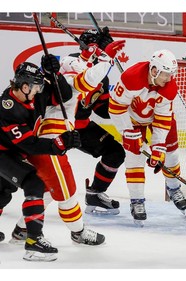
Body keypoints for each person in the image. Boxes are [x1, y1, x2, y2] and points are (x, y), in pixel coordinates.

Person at [8, 56, 105, 251]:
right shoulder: (67, 82)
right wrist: (108, 59)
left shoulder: (49, 85)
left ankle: (22, 229)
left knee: (48, 190)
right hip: (49, 147)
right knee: (66, 191)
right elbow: (91, 78)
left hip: (48, 144)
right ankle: (78, 232)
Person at [0, 59, 81, 261]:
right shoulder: (7, 109)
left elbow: (65, 94)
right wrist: (58, 145)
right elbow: (30, 145)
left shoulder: (34, 95)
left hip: (13, 152)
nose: (39, 90)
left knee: (3, 190)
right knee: (34, 183)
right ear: (24, 86)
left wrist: (53, 73)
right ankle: (34, 242)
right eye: (36, 86)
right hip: (3, 153)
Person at [108, 49, 186, 225]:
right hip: (132, 120)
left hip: (156, 118)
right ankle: (137, 201)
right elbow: (115, 107)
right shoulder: (131, 78)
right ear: (154, 71)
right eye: (166, 75)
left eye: (171, 74)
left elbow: (162, 118)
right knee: (134, 158)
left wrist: (158, 146)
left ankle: (174, 187)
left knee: (171, 153)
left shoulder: (169, 86)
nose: (169, 79)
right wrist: (127, 132)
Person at [59, 28, 126, 215]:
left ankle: (95, 193)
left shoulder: (102, 74)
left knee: (115, 152)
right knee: (32, 164)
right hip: (57, 125)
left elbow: (102, 109)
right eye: (100, 48)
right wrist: (104, 59)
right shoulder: (71, 62)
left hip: (80, 126)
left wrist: (124, 106)